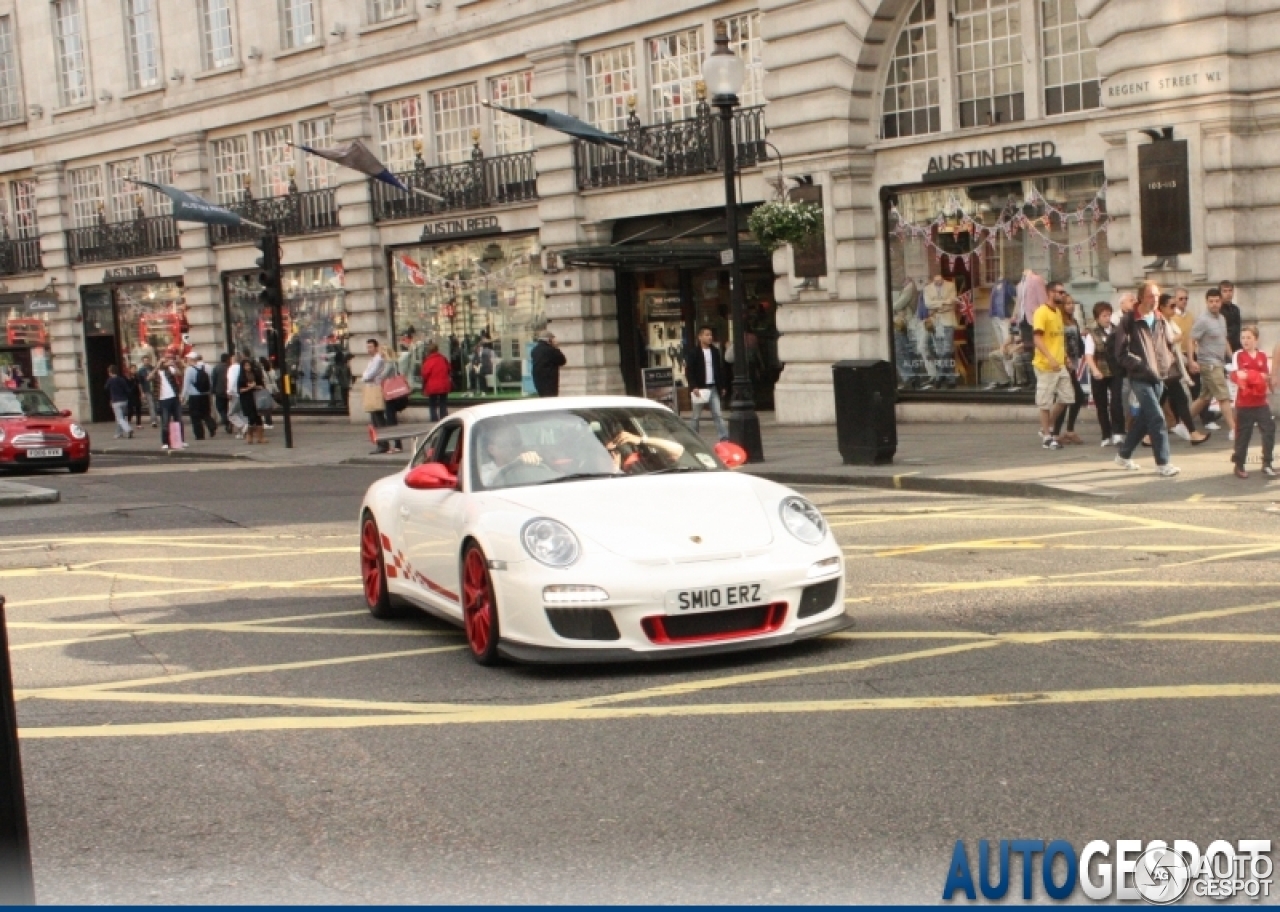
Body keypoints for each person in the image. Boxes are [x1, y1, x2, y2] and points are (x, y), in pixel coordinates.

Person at [1112, 282, 1180, 477]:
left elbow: (1165, 344)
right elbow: (1120, 353)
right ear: (1141, 297)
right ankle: (1163, 463)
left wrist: (1167, 363)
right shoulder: (1128, 320)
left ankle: (1124, 455)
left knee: (1144, 419)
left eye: (1157, 296)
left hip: (1159, 376)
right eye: (1151, 296)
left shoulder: (1159, 318)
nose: (1155, 299)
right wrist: (1140, 364)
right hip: (1140, 376)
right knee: (1157, 418)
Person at [1156, 293, 1210, 445]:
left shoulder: (1169, 322)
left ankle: (1147, 435)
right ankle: (1192, 432)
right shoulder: (1159, 323)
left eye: (1175, 305)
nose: (1174, 308)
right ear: (1161, 307)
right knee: (1179, 398)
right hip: (1164, 368)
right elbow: (1159, 343)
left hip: (1170, 366)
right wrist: (1174, 339)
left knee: (1159, 401)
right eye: (1171, 306)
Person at [1228, 326, 1275, 479]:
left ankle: (1267, 463)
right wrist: (1255, 376)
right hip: (1244, 403)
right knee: (1243, 435)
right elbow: (1236, 375)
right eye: (1243, 338)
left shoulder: (1262, 356)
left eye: (1248, 337)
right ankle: (1239, 464)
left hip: (1261, 402)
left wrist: (1250, 375)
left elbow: (1265, 377)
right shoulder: (1238, 355)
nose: (1245, 341)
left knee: (1269, 431)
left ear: (1256, 339)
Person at [1189, 287, 1236, 438]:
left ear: (1221, 302)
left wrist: (1234, 358)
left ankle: (1182, 423)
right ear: (1206, 302)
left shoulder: (1222, 318)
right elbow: (1191, 339)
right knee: (1223, 396)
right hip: (1209, 364)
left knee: (1204, 398)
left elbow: (1224, 340)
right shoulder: (1203, 320)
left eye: (1217, 301)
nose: (1214, 304)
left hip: (1219, 362)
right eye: (1211, 301)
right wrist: (1191, 360)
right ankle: (1234, 429)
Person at [1032, 281, 1073, 450]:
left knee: (1066, 398)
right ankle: (1047, 437)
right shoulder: (1041, 312)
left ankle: (1045, 427)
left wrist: (1065, 357)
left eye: (1063, 292)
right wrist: (1049, 358)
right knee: (1045, 402)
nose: (1063, 295)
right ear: (1050, 293)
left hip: (1060, 363)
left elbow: (1058, 339)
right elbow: (1037, 338)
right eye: (1060, 292)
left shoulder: (1057, 312)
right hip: (1046, 365)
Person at [1051, 295, 1088, 444]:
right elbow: (1058, 343)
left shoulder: (1073, 321)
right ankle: (1060, 432)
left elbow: (1078, 342)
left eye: (1072, 303)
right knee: (1071, 396)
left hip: (1073, 362)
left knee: (1070, 397)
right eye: (1067, 304)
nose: (1070, 306)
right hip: (1063, 363)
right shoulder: (1059, 321)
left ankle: (1063, 431)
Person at [684, 325, 729, 441]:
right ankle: (694, 437)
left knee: (718, 414)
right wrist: (693, 386)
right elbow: (690, 371)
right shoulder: (694, 352)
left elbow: (719, 369)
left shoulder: (715, 351)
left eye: (711, 335)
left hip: (713, 387)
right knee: (696, 416)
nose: (710, 337)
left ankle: (723, 437)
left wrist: (722, 386)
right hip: (700, 388)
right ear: (700, 337)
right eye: (707, 335)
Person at [1084, 302, 1120, 445]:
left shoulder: (1117, 331)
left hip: (1115, 371)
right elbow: (1088, 355)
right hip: (1099, 370)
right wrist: (1095, 370)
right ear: (1097, 318)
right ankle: (1106, 434)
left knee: (1116, 402)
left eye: (1109, 315)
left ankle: (1118, 432)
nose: (1107, 318)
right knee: (1101, 404)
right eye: (1104, 315)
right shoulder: (1092, 333)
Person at [361, 339, 401, 455]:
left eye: (371, 347)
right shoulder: (376, 360)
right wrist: (366, 376)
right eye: (367, 347)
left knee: (381, 419)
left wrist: (367, 377)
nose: (369, 350)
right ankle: (384, 444)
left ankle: (385, 444)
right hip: (377, 390)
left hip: (381, 391)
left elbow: (369, 375)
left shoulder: (380, 361)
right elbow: (366, 374)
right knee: (377, 418)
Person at [150, 350, 186, 450]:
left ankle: (180, 440)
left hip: (174, 398)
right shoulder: (157, 372)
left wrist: (174, 365)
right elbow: (148, 378)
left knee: (178, 420)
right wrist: (157, 366)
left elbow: (180, 374)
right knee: (165, 422)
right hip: (163, 400)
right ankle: (165, 442)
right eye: (166, 359)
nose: (168, 361)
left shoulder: (170, 369)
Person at [183, 351, 217, 441]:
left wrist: (183, 396)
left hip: (194, 396)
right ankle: (211, 425)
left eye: (188, 359)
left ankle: (199, 435)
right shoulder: (205, 367)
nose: (187, 360)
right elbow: (211, 380)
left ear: (191, 359)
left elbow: (186, 384)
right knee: (206, 413)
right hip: (205, 394)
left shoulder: (189, 370)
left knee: (195, 417)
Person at [237, 351, 267, 445]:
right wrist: (249, 387)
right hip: (247, 399)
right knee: (251, 418)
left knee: (258, 417)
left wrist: (256, 386)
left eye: (249, 365)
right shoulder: (241, 377)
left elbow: (261, 386)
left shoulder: (255, 374)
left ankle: (260, 437)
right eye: (246, 366)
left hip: (256, 398)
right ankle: (249, 435)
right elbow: (240, 390)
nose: (248, 368)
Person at [420, 341, 452, 421]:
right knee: (443, 403)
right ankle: (444, 418)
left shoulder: (428, 361)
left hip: (432, 385)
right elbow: (449, 369)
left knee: (432, 404)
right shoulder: (443, 359)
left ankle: (434, 419)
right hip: (443, 384)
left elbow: (424, 374)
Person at [531, 330, 567, 398]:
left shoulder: (535, 350)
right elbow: (562, 361)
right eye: (553, 339)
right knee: (551, 399)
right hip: (550, 380)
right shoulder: (550, 350)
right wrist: (556, 348)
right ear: (549, 340)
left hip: (538, 380)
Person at [105, 365, 133, 439]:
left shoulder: (110, 380)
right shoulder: (121, 379)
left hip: (116, 401)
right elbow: (128, 390)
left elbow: (106, 388)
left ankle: (128, 429)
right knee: (122, 418)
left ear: (110, 372)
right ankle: (118, 433)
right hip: (124, 400)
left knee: (120, 418)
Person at [225, 352, 248, 439]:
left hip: (235, 393)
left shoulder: (232, 368)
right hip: (243, 393)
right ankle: (243, 432)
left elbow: (232, 381)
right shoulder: (241, 368)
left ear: (233, 359)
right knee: (241, 412)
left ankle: (243, 426)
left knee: (231, 414)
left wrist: (229, 392)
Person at [1219, 280, 1243, 353]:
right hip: (1223, 348)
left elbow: (1238, 328)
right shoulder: (1218, 310)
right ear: (1220, 293)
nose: (1228, 294)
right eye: (1225, 291)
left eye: (1230, 291)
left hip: (1237, 346)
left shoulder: (1236, 309)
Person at [211, 352, 232, 434]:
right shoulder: (229, 368)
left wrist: (213, 390)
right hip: (228, 391)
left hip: (219, 391)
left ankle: (226, 421)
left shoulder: (216, 368)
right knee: (227, 408)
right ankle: (228, 422)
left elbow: (214, 380)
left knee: (220, 408)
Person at [136, 355, 157, 428]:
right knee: (151, 405)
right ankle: (153, 420)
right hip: (147, 389)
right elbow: (140, 383)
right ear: (142, 361)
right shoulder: (140, 371)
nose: (146, 362)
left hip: (155, 389)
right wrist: (142, 392)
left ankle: (155, 418)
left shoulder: (153, 368)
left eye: (147, 360)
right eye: (145, 361)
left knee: (155, 405)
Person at [258, 358, 277, 431]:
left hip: (266, 389)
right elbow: (275, 379)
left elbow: (263, 380)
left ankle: (268, 422)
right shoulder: (272, 371)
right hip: (272, 389)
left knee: (266, 408)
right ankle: (269, 422)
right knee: (268, 407)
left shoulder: (262, 371)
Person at [123, 363, 143, 428]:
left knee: (138, 408)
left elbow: (139, 384)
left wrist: (141, 392)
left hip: (136, 394)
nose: (134, 370)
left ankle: (138, 423)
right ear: (130, 369)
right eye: (133, 369)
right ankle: (128, 421)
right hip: (129, 395)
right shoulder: (126, 377)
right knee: (130, 410)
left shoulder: (137, 376)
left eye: (135, 369)